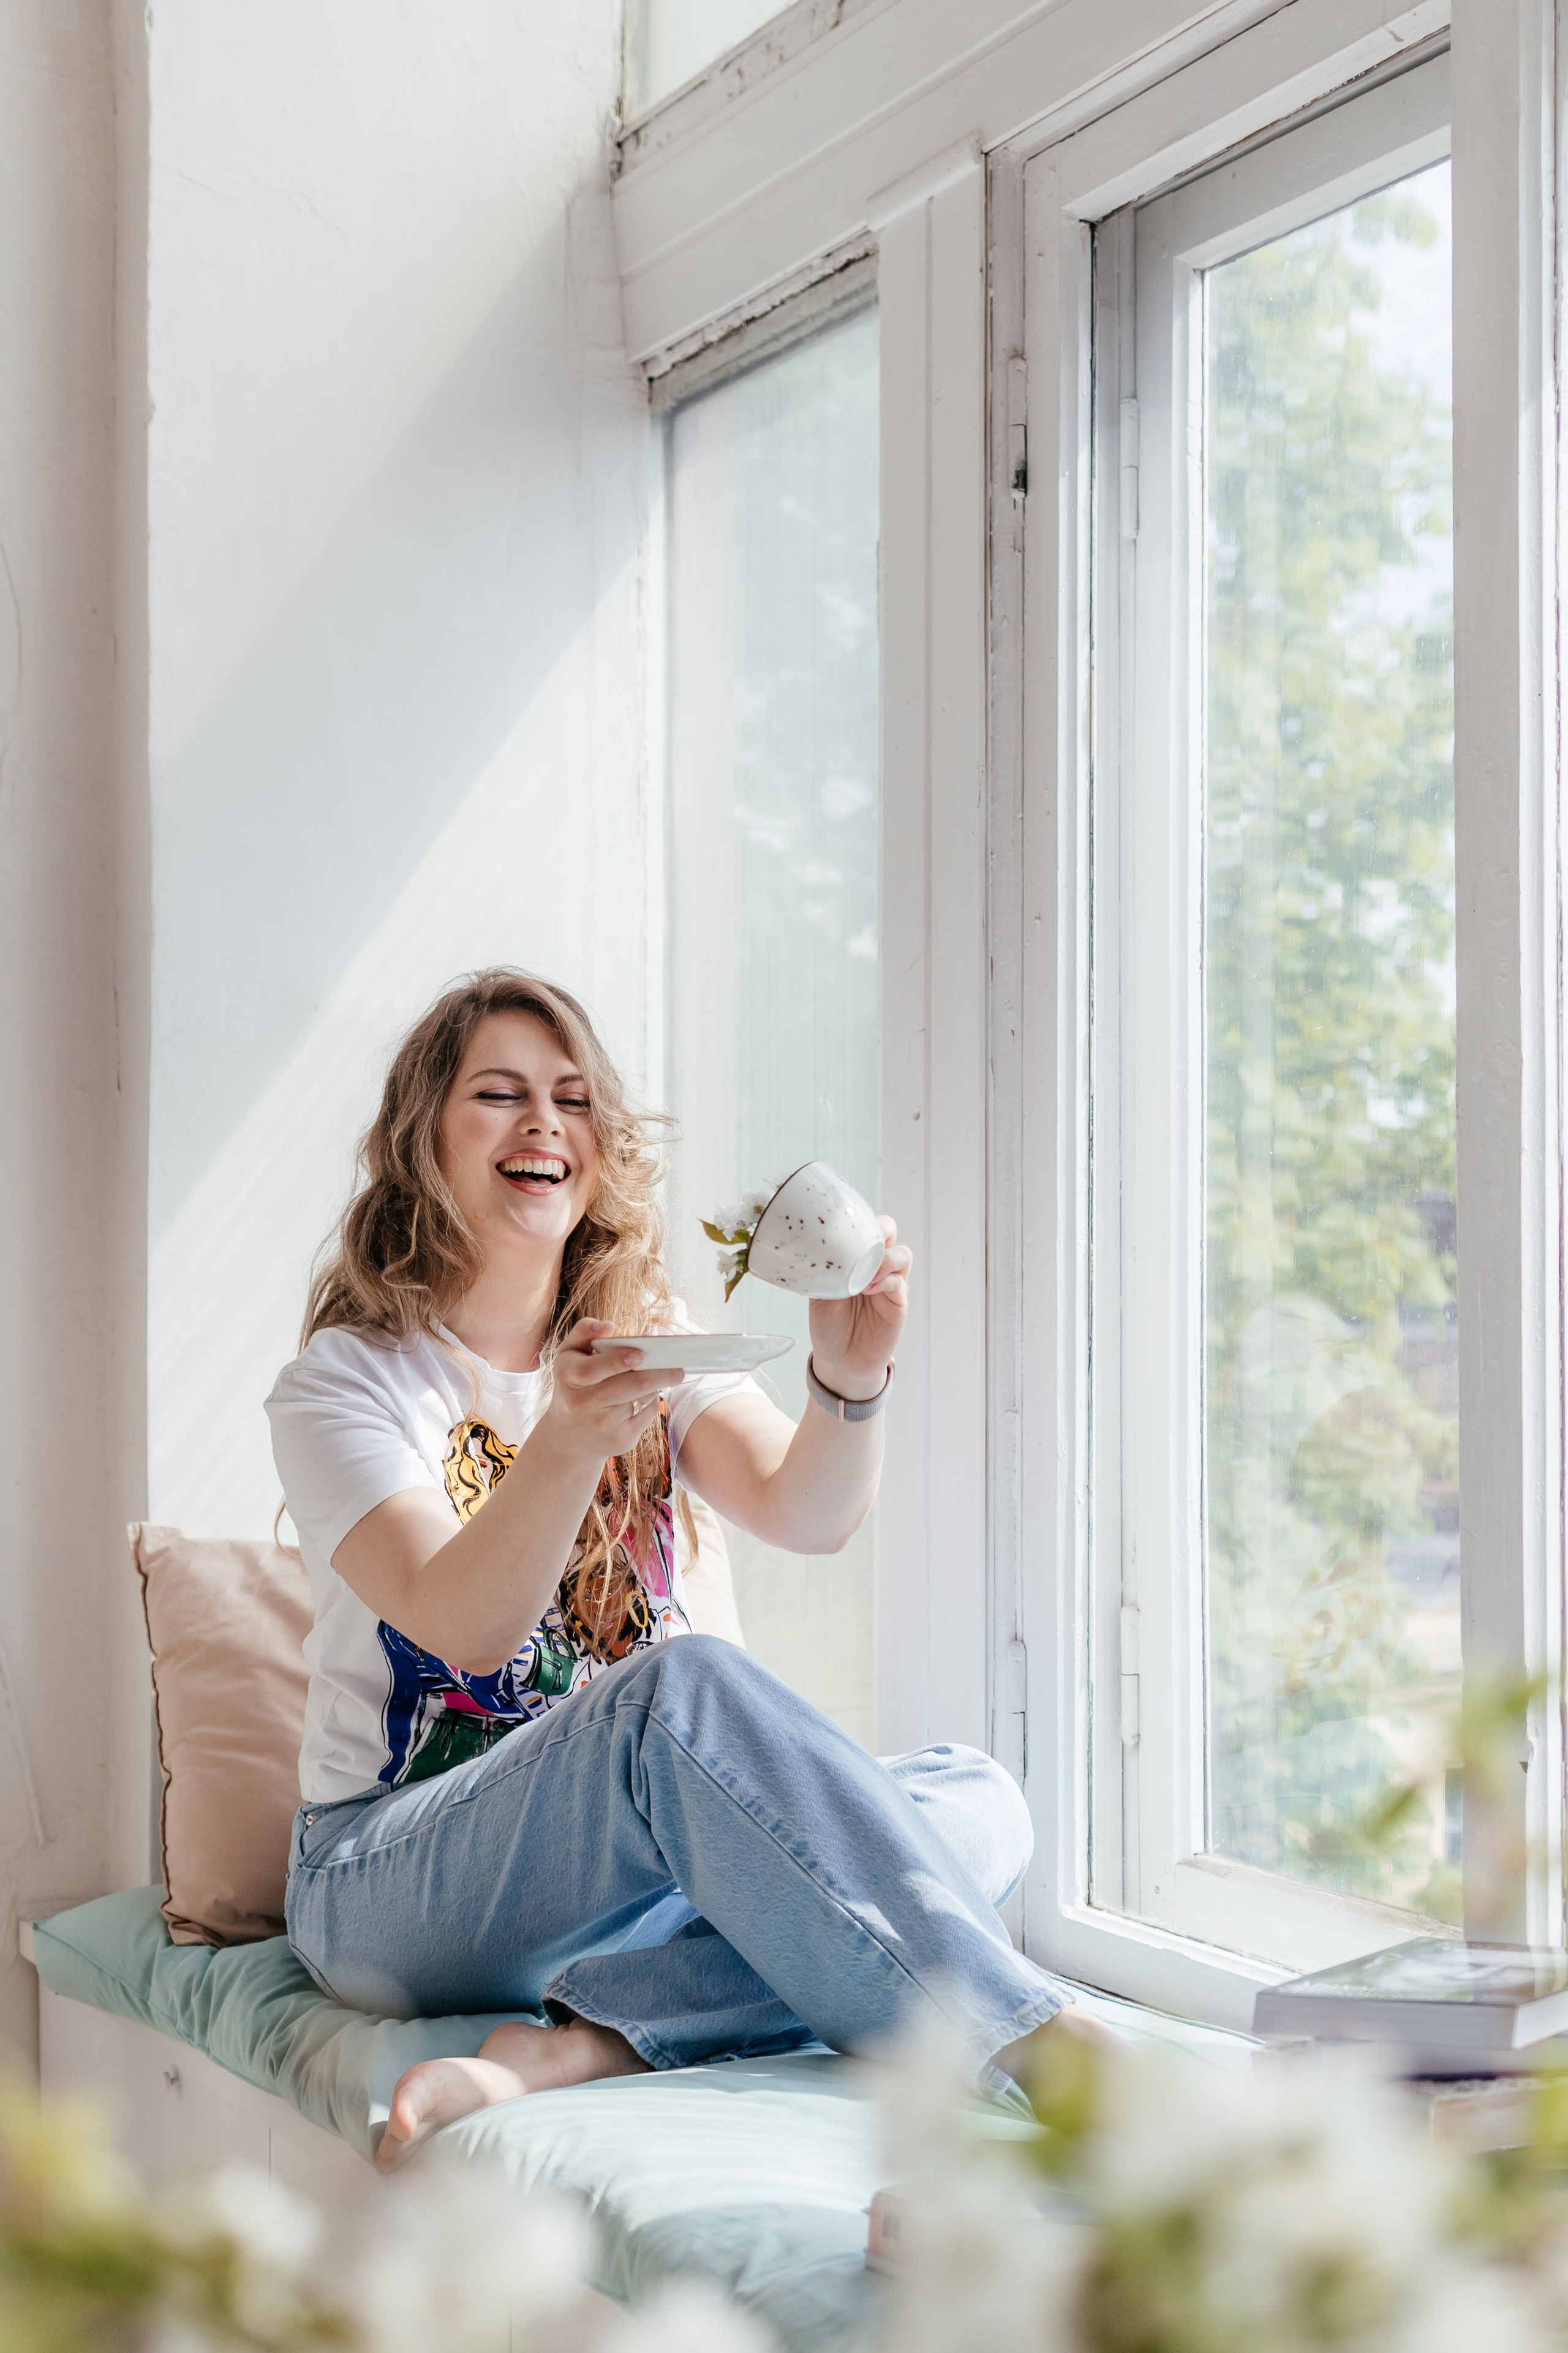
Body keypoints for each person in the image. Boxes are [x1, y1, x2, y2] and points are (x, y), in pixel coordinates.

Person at [266, 968, 1087, 2172]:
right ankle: (1038, 2047)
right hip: (392, 1873)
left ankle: (585, 2040)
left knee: (974, 1800)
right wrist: (562, 1441)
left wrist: (847, 1380)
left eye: (571, 1097)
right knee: (677, 1690)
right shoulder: (349, 1381)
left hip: (624, 1881)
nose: (543, 1121)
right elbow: (464, 1626)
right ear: (421, 1139)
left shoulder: (640, 1334)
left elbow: (801, 1509)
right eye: (497, 1094)